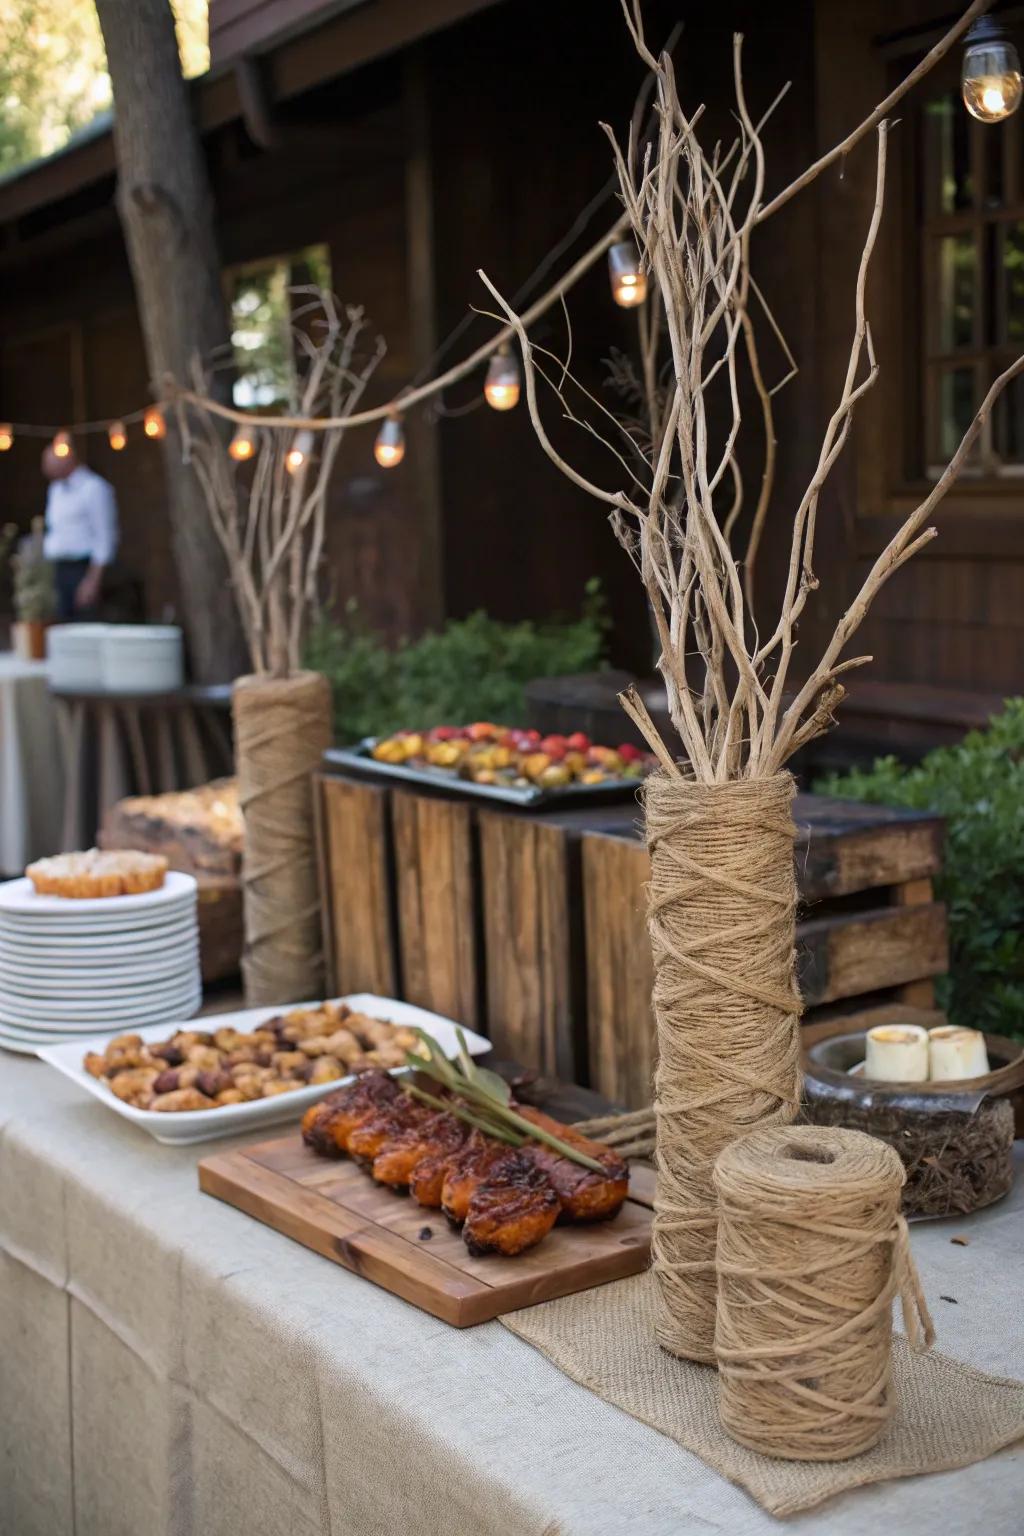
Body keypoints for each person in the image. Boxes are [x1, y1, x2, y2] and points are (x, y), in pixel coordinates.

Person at [41, 442, 119, 620]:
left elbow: (105, 536)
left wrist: (92, 581)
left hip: (84, 569)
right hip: (60, 569)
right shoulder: (55, 489)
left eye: (49, 464)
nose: (46, 470)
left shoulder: (94, 488)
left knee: (84, 625)